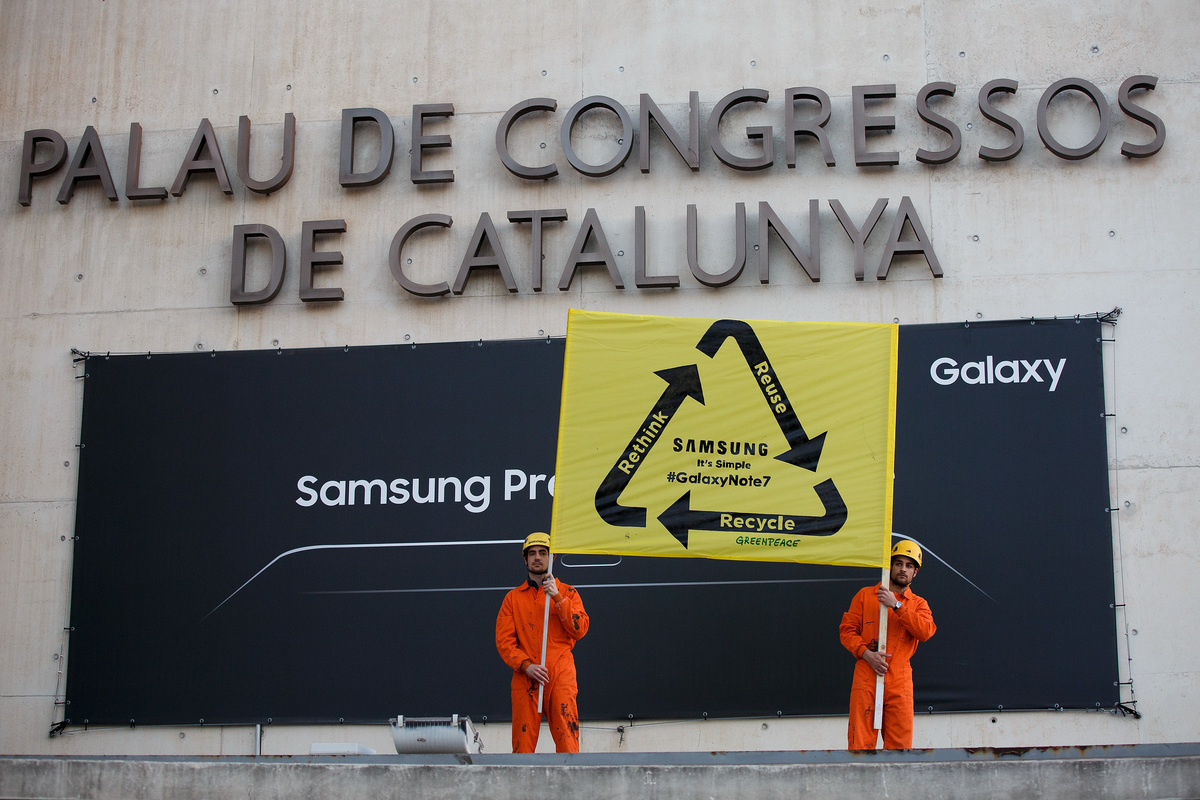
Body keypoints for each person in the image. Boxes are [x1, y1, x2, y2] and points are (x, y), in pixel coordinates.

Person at [495, 531, 589, 753]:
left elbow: (580, 629)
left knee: (568, 739)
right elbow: (504, 642)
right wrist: (526, 666)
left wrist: (557, 597)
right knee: (522, 745)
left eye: (543, 553)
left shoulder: (568, 592)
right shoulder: (513, 598)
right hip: (526, 676)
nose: (537, 558)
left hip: (560, 674)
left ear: (552, 558)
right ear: (525, 559)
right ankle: (522, 787)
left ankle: (568, 783)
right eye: (532, 553)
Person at [839, 539, 936, 750]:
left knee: (900, 749)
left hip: (900, 679)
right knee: (860, 745)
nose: (903, 569)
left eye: (909, 566)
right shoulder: (865, 596)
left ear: (915, 573)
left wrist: (897, 605)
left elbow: (926, 631)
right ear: (889, 566)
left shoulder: (918, 604)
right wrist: (866, 654)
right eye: (898, 563)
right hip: (866, 676)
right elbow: (846, 631)